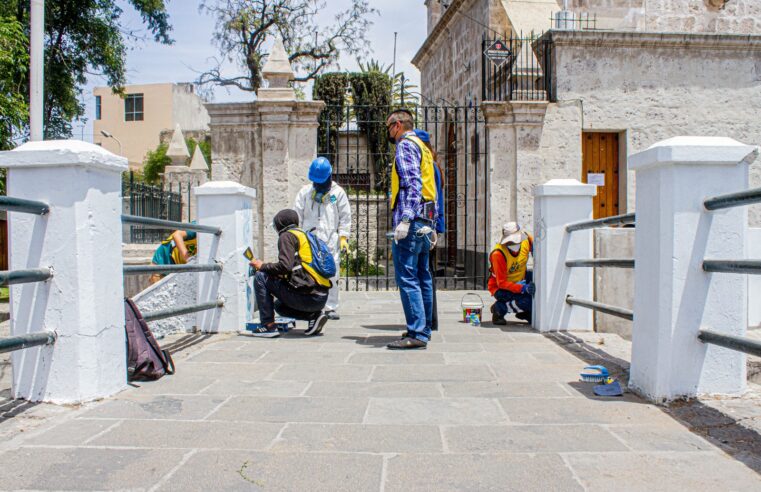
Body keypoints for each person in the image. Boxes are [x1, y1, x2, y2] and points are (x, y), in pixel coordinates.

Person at [386, 109, 438, 350]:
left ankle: (416, 332)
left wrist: (405, 219)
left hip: (413, 219)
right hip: (425, 220)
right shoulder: (423, 147)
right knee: (422, 275)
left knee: (407, 276)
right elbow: (430, 185)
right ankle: (423, 329)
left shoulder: (406, 145)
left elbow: (412, 184)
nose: (389, 133)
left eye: (389, 127)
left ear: (398, 125)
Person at [248, 209, 330, 338]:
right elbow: (295, 269)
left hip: (309, 296)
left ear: (280, 224)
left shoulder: (286, 236)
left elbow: (285, 266)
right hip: (320, 297)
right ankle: (314, 316)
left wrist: (262, 266)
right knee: (279, 306)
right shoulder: (303, 234)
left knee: (261, 277)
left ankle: (268, 326)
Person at [293, 157, 351, 320]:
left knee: (332, 273)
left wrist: (344, 237)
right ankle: (310, 305)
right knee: (307, 273)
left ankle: (330, 307)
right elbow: (297, 215)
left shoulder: (338, 193)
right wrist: (297, 236)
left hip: (330, 240)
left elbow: (345, 217)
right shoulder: (304, 192)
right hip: (308, 240)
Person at [413, 129, 446, 331]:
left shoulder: (429, 167)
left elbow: (431, 200)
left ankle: (429, 320)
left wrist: (432, 226)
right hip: (431, 224)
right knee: (426, 272)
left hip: (428, 225)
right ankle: (429, 319)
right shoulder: (433, 166)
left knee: (425, 272)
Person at [488, 222, 535, 325]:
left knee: (537, 295)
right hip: (501, 289)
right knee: (529, 301)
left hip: (521, 280)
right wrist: (522, 288)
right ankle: (499, 308)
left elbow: (536, 248)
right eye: (510, 242)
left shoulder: (526, 239)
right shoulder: (498, 254)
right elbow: (501, 283)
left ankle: (525, 312)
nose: (514, 244)